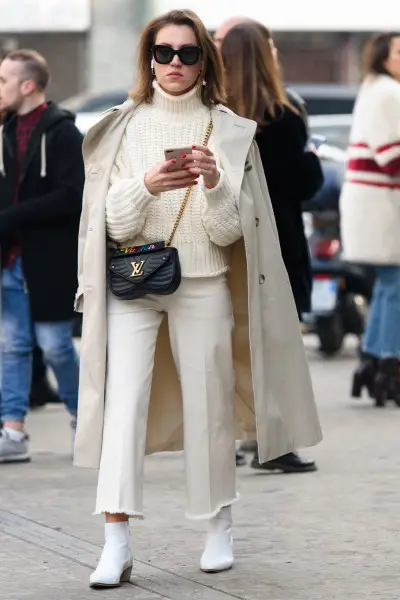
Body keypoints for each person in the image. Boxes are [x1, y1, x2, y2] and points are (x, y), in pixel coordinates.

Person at [73, 9, 322, 587]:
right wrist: (147, 186)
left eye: (188, 53)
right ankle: (115, 539)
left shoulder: (230, 129)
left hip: (204, 282)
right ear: (149, 59)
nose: (176, 64)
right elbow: (106, 220)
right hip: (133, 282)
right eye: (165, 53)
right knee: (123, 406)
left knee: (209, 405)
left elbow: (229, 233)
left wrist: (212, 185)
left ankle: (217, 527)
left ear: (204, 61)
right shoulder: (120, 126)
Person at [218, 19, 324, 473]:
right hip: (277, 243)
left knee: (236, 344)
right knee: (276, 345)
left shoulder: (217, 114)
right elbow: (297, 183)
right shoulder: (281, 115)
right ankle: (274, 443)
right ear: (265, 56)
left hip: (229, 240)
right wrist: (313, 163)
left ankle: (244, 437)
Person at [0, 50, 84, 462]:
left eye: (3, 81)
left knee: (55, 346)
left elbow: (73, 195)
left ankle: (85, 418)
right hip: (9, 260)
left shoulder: (63, 133)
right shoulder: (3, 132)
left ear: (27, 86)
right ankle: (12, 431)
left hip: (49, 258)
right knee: (11, 346)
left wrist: (12, 216)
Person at [340, 32, 400, 407]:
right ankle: (388, 367)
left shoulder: (375, 89)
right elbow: (392, 156)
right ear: (383, 57)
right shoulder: (388, 93)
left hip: (373, 204)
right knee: (394, 285)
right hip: (382, 205)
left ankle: (374, 361)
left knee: (388, 285)